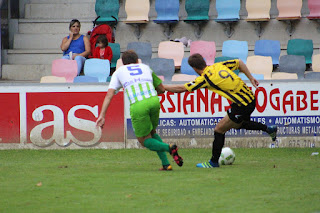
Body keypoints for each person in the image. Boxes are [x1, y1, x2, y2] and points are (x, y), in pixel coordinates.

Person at [164, 54, 277, 168]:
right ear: (204, 61)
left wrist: (163, 88)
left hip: (242, 104)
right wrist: (251, 77)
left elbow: (182, 89)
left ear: (194, 68)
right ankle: (268, 129)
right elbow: (239, 63)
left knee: (219, 129)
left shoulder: (205, 78)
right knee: (238, 124)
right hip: (250, 98)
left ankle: (213, 162)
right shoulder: (217, 66)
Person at [96, 50, 183, 171]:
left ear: (123, 63)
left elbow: (109, 95)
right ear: (137, 61)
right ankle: (166, 164)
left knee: (144, 140)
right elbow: (162, 89)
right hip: (154, 101)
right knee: (152, 133)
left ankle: (169, 148)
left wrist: (102, 115)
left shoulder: (119, 72)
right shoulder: (145, 67)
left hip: (138, 105)